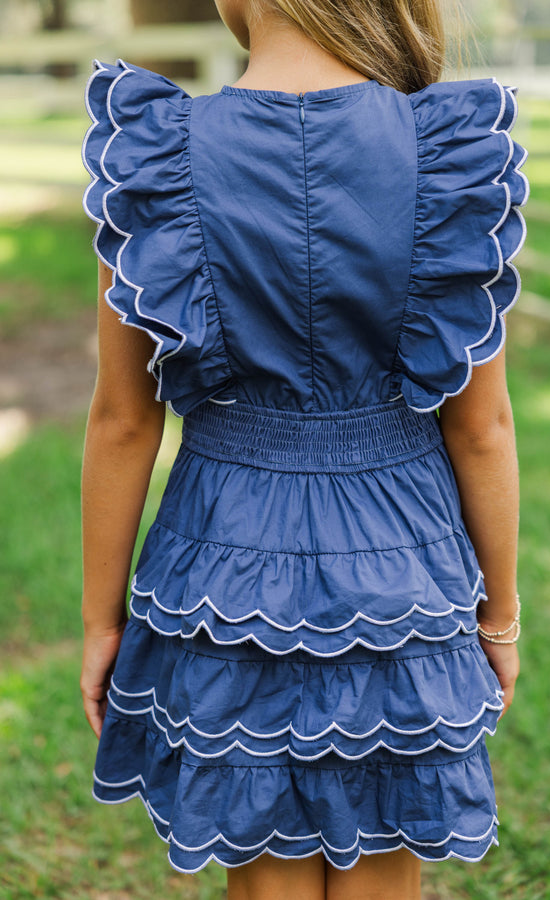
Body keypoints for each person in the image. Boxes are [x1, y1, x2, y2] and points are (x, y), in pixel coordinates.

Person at [80, 0, 527, 897]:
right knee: (384, 856)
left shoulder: (156, 151)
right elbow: (481, 427)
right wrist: (500, 617)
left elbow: (125, 421)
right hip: (403, 566)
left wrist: (101, 621)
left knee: (265, 861)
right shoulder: (445, 150)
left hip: (222, 564)